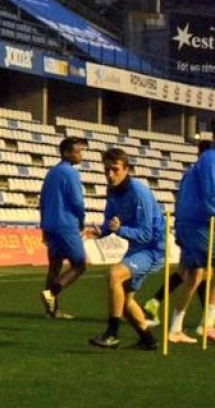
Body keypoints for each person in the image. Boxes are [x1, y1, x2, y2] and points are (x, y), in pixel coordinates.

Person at [168, 122, 215, 345]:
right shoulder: (212, 160)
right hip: (199, 224)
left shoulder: (209, 161)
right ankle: (206, 325)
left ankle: (175, 328)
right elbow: (212, 196)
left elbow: (205, 196)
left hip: (190, 221)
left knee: (194, 276)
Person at [142, 140, 215, 330]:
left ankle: (157, 303)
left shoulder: (196, 174)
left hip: (189, 226)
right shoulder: (198, 175)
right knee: (194, 272)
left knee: (193, 272)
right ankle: (160, 305)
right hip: (194, 228)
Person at [84, 149, 164, 350]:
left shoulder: (140, 192)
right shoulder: (112, 190)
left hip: (153, 249)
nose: (110, 175)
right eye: (106, 170)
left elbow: (146, 234)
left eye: (115, 170)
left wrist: (120, 230)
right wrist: (100, 232)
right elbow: (110, 222)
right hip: (137, 249)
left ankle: (112, 334)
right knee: (125, 300)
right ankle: (148, 340)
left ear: (126, 169)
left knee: (114, 275)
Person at [39, 136, 90, 319]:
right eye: (78, 151)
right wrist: (81, 218)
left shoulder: (52, 172)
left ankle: (52, 311)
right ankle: (51, 293)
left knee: (55, 266)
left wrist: (44, 225)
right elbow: (77, 201)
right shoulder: (71, 173)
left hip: (51, 225)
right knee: (79, 264)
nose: (81, 155)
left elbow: (42, 200)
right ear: (66, 152)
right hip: (66, 225)